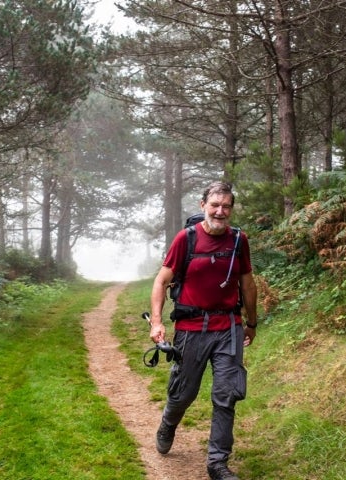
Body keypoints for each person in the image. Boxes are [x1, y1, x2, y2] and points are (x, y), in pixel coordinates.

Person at [149, 181, 258, 480]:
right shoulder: (186, 239)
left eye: (226, 206)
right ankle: (169, 423)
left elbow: (247, 283)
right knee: (183, 393)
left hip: (229, 327)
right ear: (203, 206)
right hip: (192, 328)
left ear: (231, 209)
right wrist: (157, 322)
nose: (220, 211)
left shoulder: (239, 241)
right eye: (215, 205)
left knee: (227, 395)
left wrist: (251, 322)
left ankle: (217, 463)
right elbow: (160, 281)